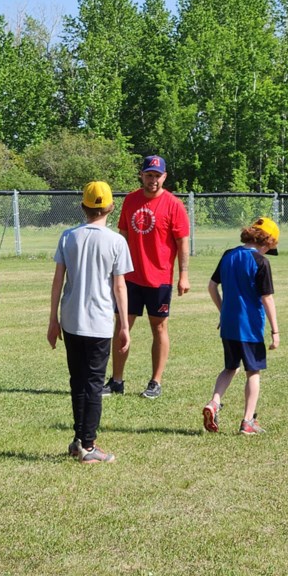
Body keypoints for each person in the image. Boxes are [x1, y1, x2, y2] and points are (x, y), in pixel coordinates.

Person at [48, 182, 133, 463]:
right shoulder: (116, 241)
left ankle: (78, 439)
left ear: (83, 207)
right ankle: (88, 444)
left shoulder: (68, 237)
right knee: (94, 384)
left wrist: (52, 320)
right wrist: (123, 325)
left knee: (78, 381)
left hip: (71, 319)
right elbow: (120, 287)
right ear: (110, 207)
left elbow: (58, 281)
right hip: (98, 322)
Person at [102, 155, 190, 399]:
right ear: (142, 175)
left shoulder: (173, 205)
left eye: (157, 175)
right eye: (149, 175)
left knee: (159, 327)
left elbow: (182, 243)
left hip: (159, 278)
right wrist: (114, 270)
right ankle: (116, 380)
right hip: (130, 277)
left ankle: (155, 381)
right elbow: (122, 236)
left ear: (164, 177)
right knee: (122, 326)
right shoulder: (131, 200)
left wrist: (183, 275)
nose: (153, 180)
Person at [202, 217, 280, 435]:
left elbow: (211, 286)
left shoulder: (229, 255)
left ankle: (214, 403)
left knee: (230, 367)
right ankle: (248, 422)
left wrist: (224, 310)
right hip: (250, 327)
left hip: (228, 324)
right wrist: (275, 331)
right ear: (267, 241)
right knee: (253, 372)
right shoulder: (260, 262)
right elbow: (267, 298)